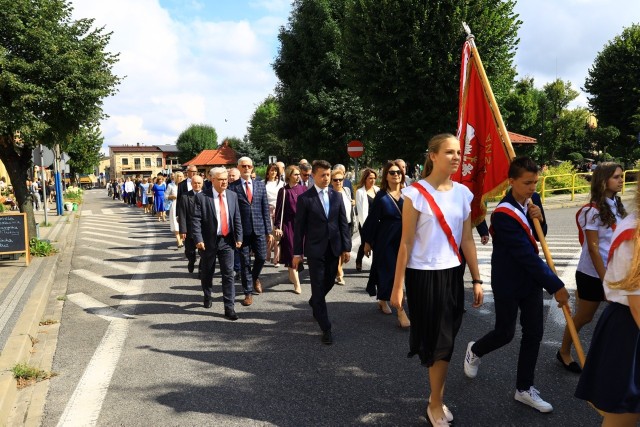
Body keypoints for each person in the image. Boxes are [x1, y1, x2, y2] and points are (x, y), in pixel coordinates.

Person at [464, 156, 570, 415]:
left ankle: (524, 388)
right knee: (505, 332)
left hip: (530, 282)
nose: (532, 188)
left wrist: (540, 217)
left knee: (534, 333)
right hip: (508, 280)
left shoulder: (534, 201)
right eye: (527, 183)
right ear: (511, 182)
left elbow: (538, 235)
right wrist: (556, 285)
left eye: (535, 182)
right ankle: (475, 349)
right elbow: (525, 253)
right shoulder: (502, 214)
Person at [390, 134, 483, 426]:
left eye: (458, 152)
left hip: (453, 273)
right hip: (424, 276)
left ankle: (436, 399)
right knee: (438, 342)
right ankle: (435, 403)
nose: (456, 157)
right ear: (432, 155)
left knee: (448, 340)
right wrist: (397, 287)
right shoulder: (415, 193)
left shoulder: (464, 194)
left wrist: (477, 279)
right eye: (449, 152)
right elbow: (405, 243)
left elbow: (467, 239)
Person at [575, 179, 640, 426]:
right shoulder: (634, 231)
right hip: (630, 329)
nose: (620, 180)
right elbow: (637, 302)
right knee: (623, 413)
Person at [558, 162, 627, 372]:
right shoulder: (592, 211)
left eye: (622, 176)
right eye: (616, 177)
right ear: (603, 180)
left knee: (624, 314)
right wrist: (605, 279)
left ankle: (618, 359)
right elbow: (594, 249)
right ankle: (564, 352)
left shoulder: (617, 204)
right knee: (584, 317)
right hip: (593, 274)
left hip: (616, 271)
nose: (621, 180)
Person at [293, 160, 351, 345]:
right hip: (315, 250)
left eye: (329, 175)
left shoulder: (337, 196)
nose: (327, 179)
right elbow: (299, 228)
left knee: (329, 281)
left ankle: (315, 301)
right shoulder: (305, 199)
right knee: (318, 285)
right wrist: (297, 253)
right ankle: (326, 327)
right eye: (323, 175)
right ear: (313, 176)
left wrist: (346, 247)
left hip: (334, 248)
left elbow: (343, 223)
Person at [362, 161, 409, 327]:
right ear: (386, 176)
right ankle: (401, 312)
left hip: (406, 239)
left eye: (398, 172)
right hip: (386, 240)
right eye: (392, 172)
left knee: (405, 273)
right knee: (390, 273)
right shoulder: (381, 197)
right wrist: (367, 242)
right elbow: (372, 221)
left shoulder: (409, 194)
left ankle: (382, 299)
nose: (396, 174)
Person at [192, 167, 243, 320]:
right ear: (212, 180)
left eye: (226, 179)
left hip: (227, 240)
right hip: (208, 241)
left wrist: (239, 237)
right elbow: (196, 220)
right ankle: (207, 295)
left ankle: (229, 307)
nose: (224, 182)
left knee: (228, 274)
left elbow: (237, 218)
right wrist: (198, 239)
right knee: (207, 272)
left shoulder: (232, 196)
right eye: (221, 179)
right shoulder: (202, 197)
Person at [228, 156, 273, 306]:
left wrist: (269, 231)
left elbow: (265, 209)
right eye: (243, 166)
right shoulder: (232, 187)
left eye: (249, 166)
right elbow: (232, 212)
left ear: (252, 168)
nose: (246, 168)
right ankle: (247, 293)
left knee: (261, 257)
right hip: (242, 231)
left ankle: (254, 278)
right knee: (245, 262)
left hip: (259, 228)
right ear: (239, 168)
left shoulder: (260, 186)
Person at [274, 165, 307, 294]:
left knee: (298, 254)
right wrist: (277, 226)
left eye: (299, 174)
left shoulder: (304, 189)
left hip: (301, 226)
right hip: (288, 225)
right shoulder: (284, 191)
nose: (298, 176)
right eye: (295, 174)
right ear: (289, 175)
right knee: (292, 252)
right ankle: (297, 284)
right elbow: (279, 211)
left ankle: (291, 272)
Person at [330, 168, 354, 286]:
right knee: (339, 250)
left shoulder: (347, 190)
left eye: (340, 179)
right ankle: (339, 273)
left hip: (348, 224)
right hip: (336, 226)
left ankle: (337, 269)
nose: (338, 182)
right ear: (331, 181)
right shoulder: (330, 194)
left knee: (346, 249)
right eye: (335, 180)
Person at [179, 175, 204, 274]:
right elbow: (182, 214)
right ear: (191, 184)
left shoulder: (207, 196)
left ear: (202, 184)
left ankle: (202, 269)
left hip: (203, 229)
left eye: (199, 183)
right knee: (190, 251)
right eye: (195, 183)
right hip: (189, 228)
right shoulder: (185, 196)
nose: (197, 185)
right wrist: (182, 230)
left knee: (203, 251)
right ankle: (191, 261)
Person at [355, 168, 379, 271]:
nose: (372, 180)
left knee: (376, 245)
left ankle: (375, 266)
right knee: (365, 243)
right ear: (365, 179)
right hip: (365, 223)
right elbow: (361, 211)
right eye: (370, 178)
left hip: (377, 223)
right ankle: (359, 259)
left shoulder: (378, 190)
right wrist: (366, 227)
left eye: (374, 178)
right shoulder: (360, 192)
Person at [264, 163, 284, 266]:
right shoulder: (263, 184)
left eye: (275, 170)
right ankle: (266, 256)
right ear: (268, 172)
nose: (273, 172)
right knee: (269, 236)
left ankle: (277, 259)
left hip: (278, 210)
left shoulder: (281, 184)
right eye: (271, 170)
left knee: (277, 237)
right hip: (267, 211)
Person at [167, 172, 183, 248]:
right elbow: (165, 195)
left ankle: (181, 239)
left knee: (182, 223)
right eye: (178, 176)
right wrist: (170, 197)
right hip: (174, 205)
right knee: (175, 222)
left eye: (181, 176)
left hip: (183, 205)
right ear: (175, 177)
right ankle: (179, 240)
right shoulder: (171, 185)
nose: (180, 178)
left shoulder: (185, 185)